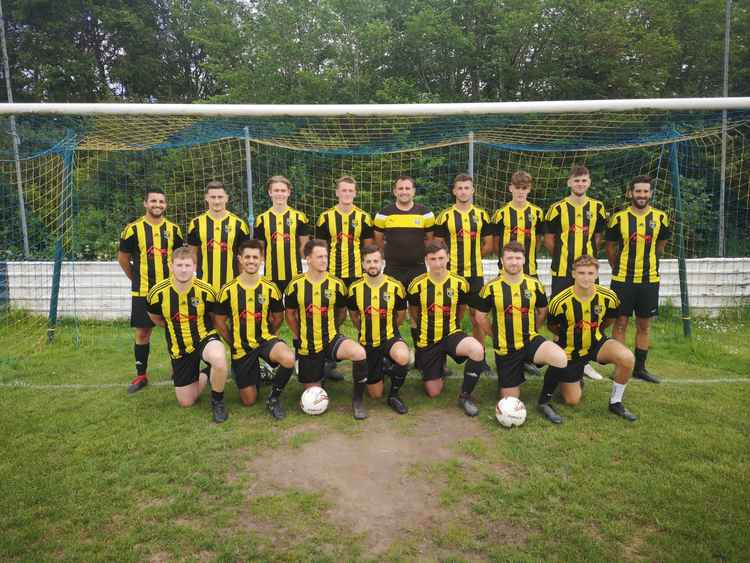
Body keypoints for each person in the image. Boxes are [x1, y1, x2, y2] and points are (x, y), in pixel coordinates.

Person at [537, 255, 638, 424]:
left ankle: (615, 402)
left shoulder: (609, 297)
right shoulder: (559, 302)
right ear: (573, 274)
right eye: (581, 272)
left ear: (597, 274)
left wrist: (592, 332)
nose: (586, 277)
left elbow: (609, 320)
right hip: (570, 349)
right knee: (572, 400)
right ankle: (568, 378)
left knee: (627, 358)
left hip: (596, 343)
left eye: (590, 273)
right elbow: (553, 327)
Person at [284, 240, 369, 419]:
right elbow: (290, 314)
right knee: (313, 393)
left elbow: (341, 312)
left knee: (359, 353)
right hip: (308, 345)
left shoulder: (336, 284)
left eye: (326, 256)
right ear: (308, 259)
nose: (324, 260)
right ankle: (319, 370)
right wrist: (299, 335)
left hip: (330, 338)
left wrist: (334, 329)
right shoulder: (295, 285)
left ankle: (358, 401)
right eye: (319, 257)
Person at [213, 240, 296, 419]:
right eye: (247, 257)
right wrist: (233, 342)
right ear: (240, 259)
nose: (251, 261)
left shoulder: (270, 288)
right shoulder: (227, 290)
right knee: (249, 401)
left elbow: (278, 316)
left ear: (262, 260)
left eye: (255, 257)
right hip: (241, 348)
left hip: (264, 340)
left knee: (289, 358)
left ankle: (273, 399)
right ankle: (255, 373)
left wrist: (269, 335)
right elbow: (219, 322)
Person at [475, 242, 568, 401]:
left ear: (524, 260)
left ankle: (545, 400)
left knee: (560, 358)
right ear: (502, 260)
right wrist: (494, 335)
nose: (514, 262)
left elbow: (542, 310)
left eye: (518, 258)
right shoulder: (491, 287)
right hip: (506, 348)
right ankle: (510, 376)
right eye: (509, 258)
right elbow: (480, 316)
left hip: (530, 340)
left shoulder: (534, 285)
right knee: (510, 399)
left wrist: (534, 328)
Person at [146, 247, 229, 423]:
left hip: (203, 338)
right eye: (179, 265)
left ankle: (218, 402)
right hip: (179, 347)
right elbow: (156, 318)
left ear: (194, 266)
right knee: (186, 402)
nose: (183, 269)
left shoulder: (206, 290)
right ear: (171, 266)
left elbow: (215, 318)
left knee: (219, 359)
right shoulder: (157, 292)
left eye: (187, 265)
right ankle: (207, 372)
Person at [407, 240, 487, 416]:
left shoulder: (460, 283)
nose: (437, 263)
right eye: (433, 259)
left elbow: (461, 309)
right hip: (428, 339)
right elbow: (414, 312)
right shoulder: (416, 284)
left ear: (448, 258)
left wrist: (454, 326)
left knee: (477, 350)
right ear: (426, 260)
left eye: (441, 258)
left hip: (451, 333)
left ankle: (465, 396)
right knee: (433, 392)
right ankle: (434, 365)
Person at [544, 164, 608, 381]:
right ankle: (561, 356)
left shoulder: (598, 207)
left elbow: (598, 236)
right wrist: (566, 257)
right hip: (562, 271)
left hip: (588, 273)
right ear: (569, 182)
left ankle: (584, 362)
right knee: (561, 316)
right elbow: (550, 240)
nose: (580, 184)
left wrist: (586, 260)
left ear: (589, 182)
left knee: (587, 315)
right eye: (576, 180)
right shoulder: (556, 209)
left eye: (584, 180)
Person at [117, 188, 183, 394]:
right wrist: (135, 279)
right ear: (145, 203)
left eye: (161, 201)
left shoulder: (174, 230)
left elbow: (180, 258)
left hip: (169, 291)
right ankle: (141, 375)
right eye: (153, 201)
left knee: (174, 330)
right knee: (143, 332)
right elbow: (123, 259)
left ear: (166, 205)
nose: (157, 205)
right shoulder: (132, 229)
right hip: (143, 291)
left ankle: (178, 370)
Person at [605, 175, 671, 384]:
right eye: (638, 191)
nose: (642, 195)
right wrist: (618, 267)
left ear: (650, 193)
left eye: (645, 191)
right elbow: (610, 248)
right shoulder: (619, 218)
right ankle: (621, 366)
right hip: (623, 278)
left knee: (644, 325)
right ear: (630, 193)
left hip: (649, 279)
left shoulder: (661, 218)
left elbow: (661, 245)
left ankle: (640, 369)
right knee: (621, 322)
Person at [316, 175, 373, 380]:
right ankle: (328, 359)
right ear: (337, 192)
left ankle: (369, 354)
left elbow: (369, 249)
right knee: (335, 315)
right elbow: (319, 250)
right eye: (343, 190)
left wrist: (368, 273)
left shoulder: (364, 217)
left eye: (350, 191)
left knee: (361, 315)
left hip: (358, 275)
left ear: (355, 193)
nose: (347, 194)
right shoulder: (325, 217)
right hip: (333, 276)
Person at [347, 245, 411, 415]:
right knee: (375, 395)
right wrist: (363, 330)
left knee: (404, 356)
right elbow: (353, 315)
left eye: (376, 261)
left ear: (382, 262)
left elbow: (401, 314)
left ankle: (394, 395)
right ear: (362, 264)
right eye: (368, 262)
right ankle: (384, 365)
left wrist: (391, 331)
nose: (372, 265)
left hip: (389, 337)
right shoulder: (354, 288)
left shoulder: (395, 286)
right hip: (367, 342)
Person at [433, 173, 493, 345]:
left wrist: (472, 258)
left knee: (477, 317)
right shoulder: (444, 216)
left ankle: (479, 359)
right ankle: (444, 355)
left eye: (467, 188)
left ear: (472, 190)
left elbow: (488, 245)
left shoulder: (482, 215)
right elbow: (438, 247)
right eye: (459, 188)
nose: (463, 191)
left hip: (475, 274)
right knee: (451, 316)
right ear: (454, 191)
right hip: (451, 274)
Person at [187, 180, 251, 292]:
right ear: (206, 198)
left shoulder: (239, 225)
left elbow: (243, 258)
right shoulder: (195, 224)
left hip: (231, 287)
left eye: (220, 197)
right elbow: (192, 254)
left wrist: (243, 283)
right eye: (213, 197)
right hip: (203, 287)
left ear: (226, 198)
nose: (216, 201)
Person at [254, 175, 312, 295]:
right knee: (274, 312)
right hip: (271, 273)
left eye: (283, 190)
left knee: (294, 311)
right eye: (276, 190)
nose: (279, 194)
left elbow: (304, 247)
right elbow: (260, 248)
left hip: (295, 273)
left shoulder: (300, 217)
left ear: (288, 192)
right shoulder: (261, 219)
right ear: (270, 193)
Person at [493, 171, 545, 278]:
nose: (520, 192)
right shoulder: (500, 213)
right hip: (505, 272)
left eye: (524, 188)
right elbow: (495, 243)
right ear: (511, 188)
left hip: (530, 270)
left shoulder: (537, 213)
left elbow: (538, 239)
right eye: (517, 188)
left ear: (529, 189)